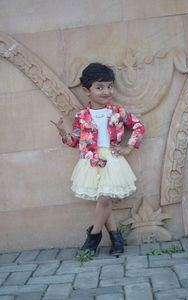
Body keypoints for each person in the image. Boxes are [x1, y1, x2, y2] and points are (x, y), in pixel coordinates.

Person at [51, 62, 145, 256]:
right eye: (99, 87)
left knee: (103, 199)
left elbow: (138, 126)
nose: (106, 91)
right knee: (104, 200)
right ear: (87, 90)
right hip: (90, 160)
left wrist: (129, 146)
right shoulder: (81, 116)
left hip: (112, 159)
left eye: (109, 86)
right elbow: (75, 141)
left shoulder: (117, 112)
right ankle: (116, 237)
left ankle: (93, 237)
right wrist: (63, 134)